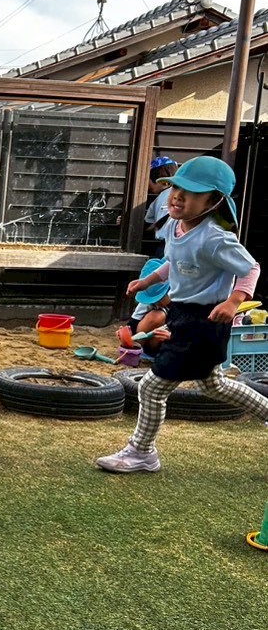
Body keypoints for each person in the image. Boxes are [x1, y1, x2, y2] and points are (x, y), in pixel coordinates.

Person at [95, 156, 268, 473]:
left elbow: (250, 268)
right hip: (182, 315)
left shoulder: (215, 238)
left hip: (205, 321)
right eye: (175, 188)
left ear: (212, 202)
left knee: (151, 387)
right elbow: (173, 261)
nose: (177, 196)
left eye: (190, 192)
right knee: (213, 385)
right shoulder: (175, 226)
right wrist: (148, 281)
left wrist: (233, 302)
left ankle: (142, 452)